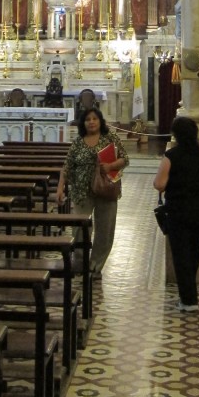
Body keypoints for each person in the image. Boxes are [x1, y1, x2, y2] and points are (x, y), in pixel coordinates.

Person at [153, 116, 199, 312]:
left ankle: (188, 300)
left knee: (181, 253)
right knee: (194, 249)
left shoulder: (171, 156)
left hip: (177, 208)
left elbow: (159, 184)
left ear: (176, 135)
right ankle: (190, 295)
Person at [57, 106, 129, 275]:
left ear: (100, 121)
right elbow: (67, 166)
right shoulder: (78, 141)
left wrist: (110, 165)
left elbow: (125, 159)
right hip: (81, 190)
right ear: (83, 123)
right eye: (88, 119)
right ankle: (80, 262)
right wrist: (60, 187)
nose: (91, 122)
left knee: (105, 229)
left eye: (94, 119)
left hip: (106, 188)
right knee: (80, 229)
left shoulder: (110, 137)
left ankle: (96, 265)